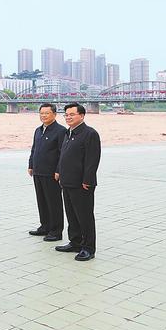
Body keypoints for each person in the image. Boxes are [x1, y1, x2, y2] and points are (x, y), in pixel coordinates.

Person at [54, 103, 101, 262]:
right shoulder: (68, 132)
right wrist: (59, 172)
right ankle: (75, 242)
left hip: (82, 184)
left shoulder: (90, 134)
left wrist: (88, 180)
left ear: (81, 115)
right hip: (67, 181)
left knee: (84, 216)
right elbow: (63, 155)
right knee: (72, 215)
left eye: (72, 114)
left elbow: (92, 160)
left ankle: (88, 248)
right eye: (66, 115)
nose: (68, 117)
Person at [27, 104, 67, 242]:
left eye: (47, 113)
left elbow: (63, 153)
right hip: (38, 171)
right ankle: (45, 226)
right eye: (41, 113)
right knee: (42, 201)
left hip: (51, 174)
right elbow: (34, 149)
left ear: (54, 114)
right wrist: (31, 165)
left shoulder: (61, 131)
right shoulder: (38, 130)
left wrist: (58, 170)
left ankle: (56, 231)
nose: (43, 116)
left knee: (53, 202)